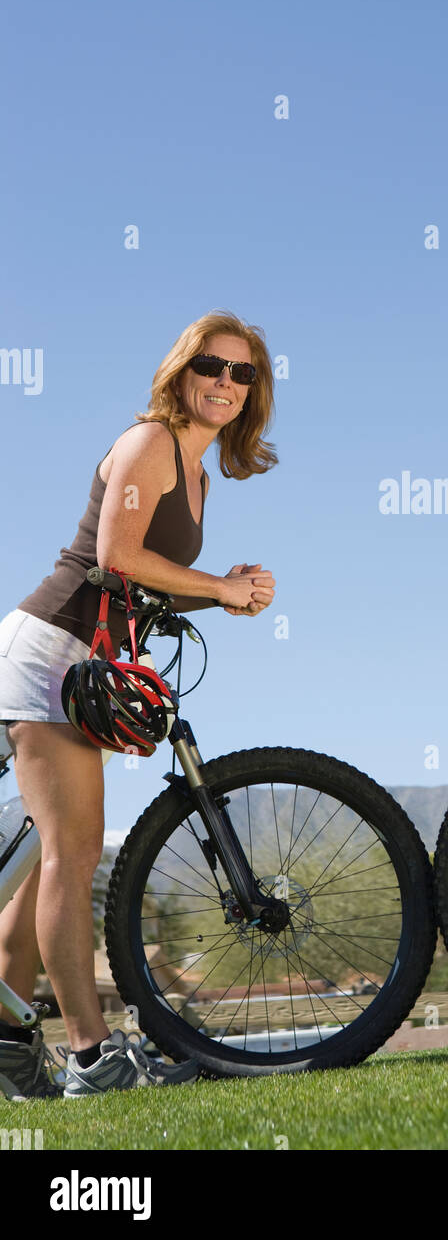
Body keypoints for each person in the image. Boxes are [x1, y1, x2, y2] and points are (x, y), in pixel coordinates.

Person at [0, 310, 277, 1097]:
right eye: (211, 367)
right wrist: (219, 584)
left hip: (83, 663)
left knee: (36, 861)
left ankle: (8, 1045)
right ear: (182, 373)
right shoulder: (152, 442)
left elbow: (141, 582)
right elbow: (115, 557)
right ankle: (91, 1055)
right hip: (49, 648)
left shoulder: (197, 469)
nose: (225, 382)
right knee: (71, 854)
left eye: (242, 373)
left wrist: (225, 597)